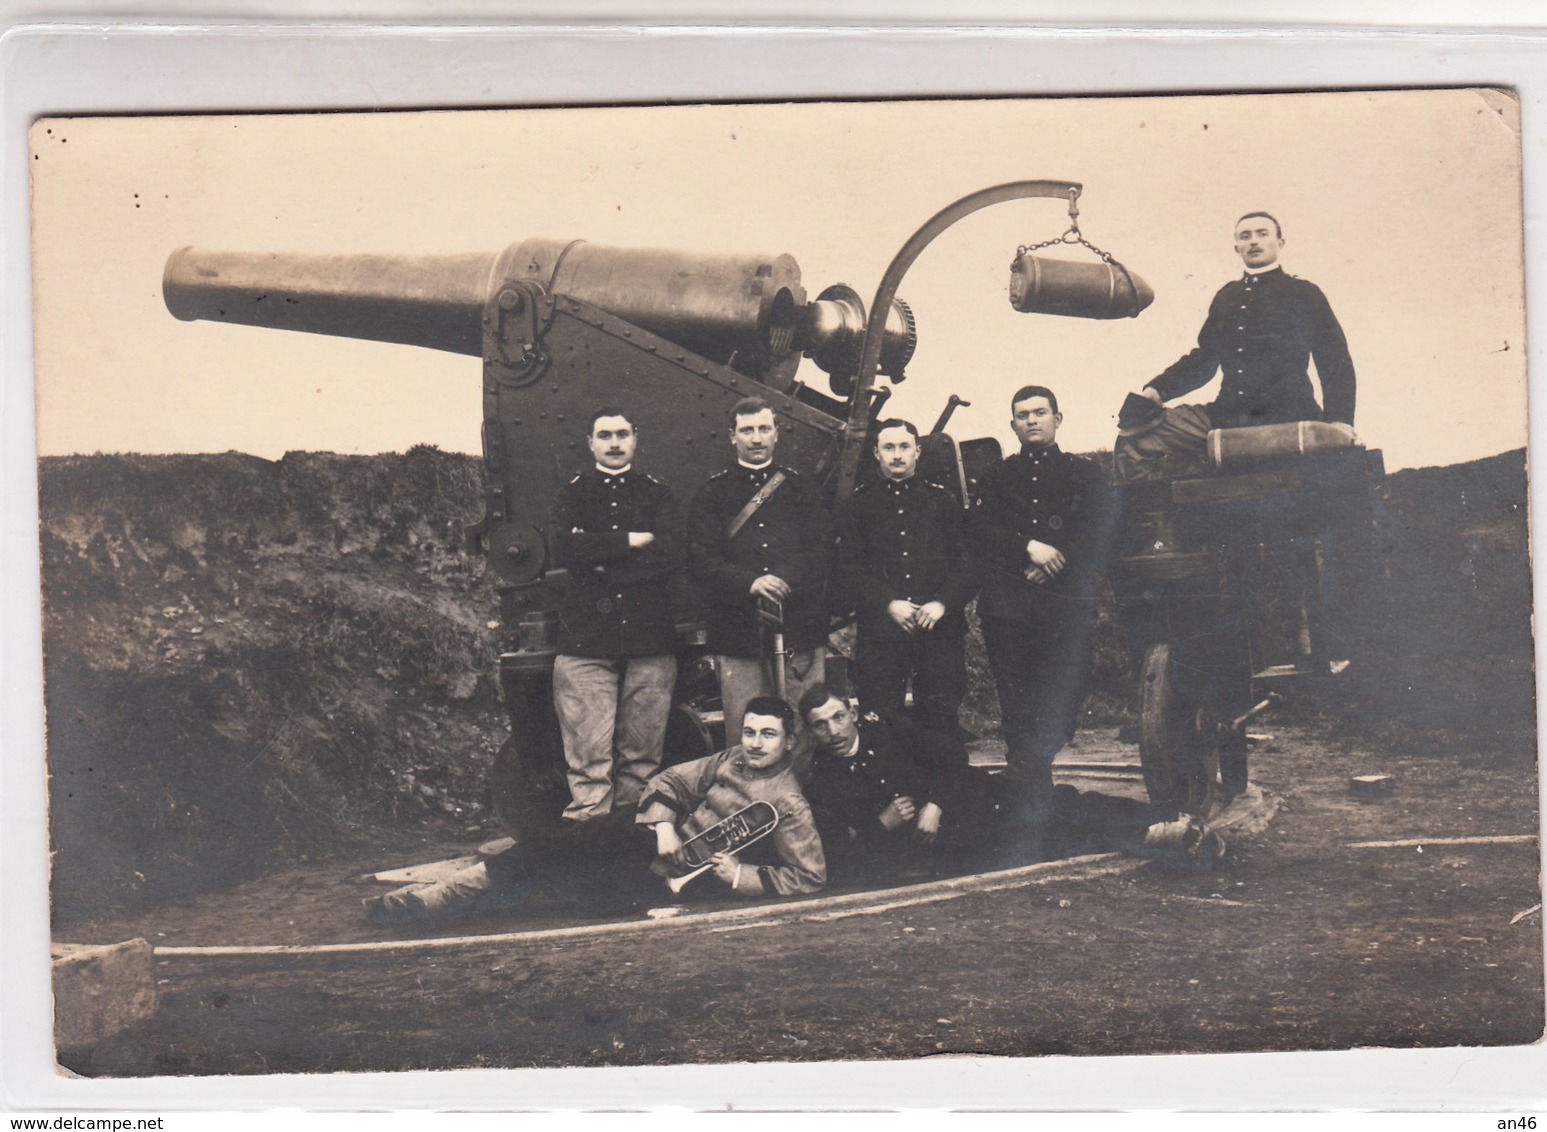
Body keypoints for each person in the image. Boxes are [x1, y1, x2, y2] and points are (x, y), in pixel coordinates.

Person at [363, 698, 824, 928]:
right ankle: (435, 899)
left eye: (768, 735)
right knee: (554, 845)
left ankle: (439, 902)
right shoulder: (729, 760)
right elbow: (668, 782)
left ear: (789, 741)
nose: (755, 743)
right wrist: (664, 825)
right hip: (650, 837)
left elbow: (808, 878)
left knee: (567, 884)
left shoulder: (789, 803)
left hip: (678, 876)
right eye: (749, 732)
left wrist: (739, 874)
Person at [967, 385, 1113, 851]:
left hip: (1064, 606)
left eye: (1040, 412)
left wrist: (1059, 556)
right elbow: (979, 528)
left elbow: (1100, 527)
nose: (1031, 421)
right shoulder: (994, 477)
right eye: (1022, 415)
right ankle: (1032, 810)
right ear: (1012, 425)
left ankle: (1024, 783)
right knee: (1018, 704)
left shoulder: (1084, 474)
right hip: (1008, 607)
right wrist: (1027, 547)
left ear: (1057, 418)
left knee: (1063, 696)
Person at [1116, 211, 1356, 446]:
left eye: (1262, 234)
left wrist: (1340, 420)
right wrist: (1157, 390)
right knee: (1136, 434)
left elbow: (1334, 360)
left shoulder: (1304, 293)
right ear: (1236, 248)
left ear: (1280, 242)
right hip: (1226, 416)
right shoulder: (1226, 297)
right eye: (1245, 236)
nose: (1253, 241)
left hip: (1290, 417)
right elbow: (1204, 359)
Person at [548, 407, 682, 821]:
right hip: (586, 641)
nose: (614, 443)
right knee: (588, 761)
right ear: (590, 443)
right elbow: (564, 549)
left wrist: (601, 553)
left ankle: (631, 847)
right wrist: (633, 539)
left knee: (642, 762)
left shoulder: (657, 494)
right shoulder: (571, 494)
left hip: (649, 640)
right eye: (604, 435)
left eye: (622, 434)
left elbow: (670, 554)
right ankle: (590, 851)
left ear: (635, 439)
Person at [687, 397, 833, 758]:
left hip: (799, 626)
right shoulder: (712, 493)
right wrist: (751, 583)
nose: (756, 438)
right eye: (747, 430)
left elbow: (820, 550)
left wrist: (782, 578)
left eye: (764, 429)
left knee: (803, 730)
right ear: (731, 436)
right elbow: (701, 560)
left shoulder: (801, 490)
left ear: (777, 434)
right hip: (739, 634)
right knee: (747, 734)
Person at [836, 418, 976, 736]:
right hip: (882, 632)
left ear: (917, 451)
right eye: (889, 447)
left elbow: (967, 564)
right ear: (876, 453)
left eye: (904, 447)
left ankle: (942, 784)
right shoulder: (858, 505)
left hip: (939, 631)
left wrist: (941, 604)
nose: (897, 455)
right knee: (883, 722)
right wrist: (888, 603)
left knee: (941, 719)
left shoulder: (943, 502)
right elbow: (849, 569)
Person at [797, 684, 1000, 885]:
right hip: (900, 863)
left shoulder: (888, 728)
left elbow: (954, 757)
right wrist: (882, 824)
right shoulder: (817, 780)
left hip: (951, 827)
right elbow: (840, 859)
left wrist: (935, 806)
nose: (833, 732)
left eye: (838, 717)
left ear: (853, 714)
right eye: (820, 725)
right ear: (809, 732)